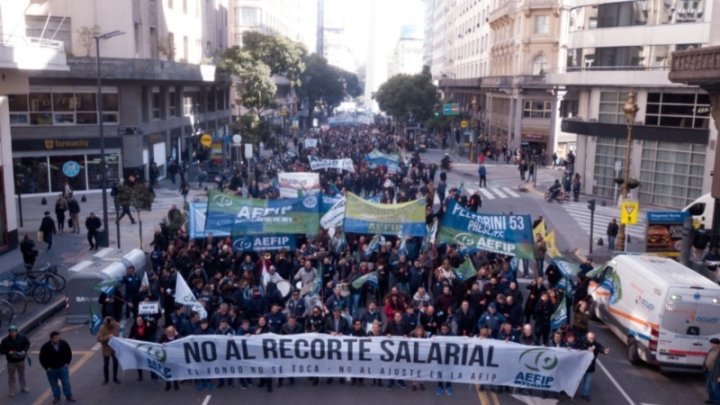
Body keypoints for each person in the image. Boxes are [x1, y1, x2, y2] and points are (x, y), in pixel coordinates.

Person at [39, 331, 76, 403]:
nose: (57, 339)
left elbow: (69, 353)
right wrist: (46, 367)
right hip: (51, 369)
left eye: (58, 337)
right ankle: (56, 397)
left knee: (66, 382)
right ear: (51, 338)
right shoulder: (46, 346)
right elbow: (42, 358)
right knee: (54, 384)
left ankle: (69, 395)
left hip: (62, 367)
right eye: (55, 338)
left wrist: (67, 363)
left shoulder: (63, 343)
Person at [576, 332, 609, 401]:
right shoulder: (582, 343)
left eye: (593, 338)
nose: (592, 339)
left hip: (590, 367)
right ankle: (570, 392)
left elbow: (600, 348)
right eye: (590, 338)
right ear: (587, 338)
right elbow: (577, 348)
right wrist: (585, 349)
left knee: (587, 382)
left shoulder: (596, 345)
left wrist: (604, 351)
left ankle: (585, 395)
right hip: (580, 367)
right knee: (575, 380)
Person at [0, 325, 30, 397]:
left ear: (17, 331)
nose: (13, 333)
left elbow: (27, 344)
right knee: (11, 376)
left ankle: (23, 387)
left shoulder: (22, 338)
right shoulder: (5, 340)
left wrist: (24, 351)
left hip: (20, 360)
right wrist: (8, 352)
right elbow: (1, 350)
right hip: (11, 361)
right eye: (11, 332)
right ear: (9, 333)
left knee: (21, 374)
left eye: (14, 331)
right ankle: (12, 390)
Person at [96, 316, 121, 385]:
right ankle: (106, 379)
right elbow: (98, 339)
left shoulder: (117, 325)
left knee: (115, 363)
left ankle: (115, 378)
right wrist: (108, 337)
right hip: (106, 348)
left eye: (112, 324)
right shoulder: (102, 327)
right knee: (106, 364)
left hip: (114, 347)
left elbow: (120, 335)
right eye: (109, 325)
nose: (111, 326)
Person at [705, 338, 720, 404]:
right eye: (711, 343)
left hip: (716, 373)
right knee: (709, 386)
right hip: (709, 371)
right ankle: (711, 399)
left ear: (716, 344)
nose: (711, 345)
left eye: (712, 343)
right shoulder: (711, 350)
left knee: (715, 388)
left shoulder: (719, 352)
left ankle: (717, 402)